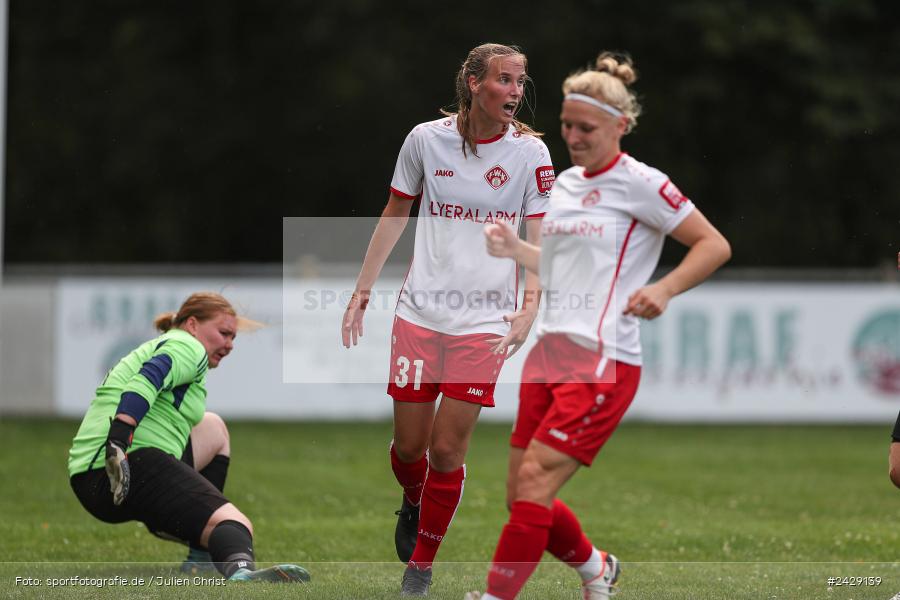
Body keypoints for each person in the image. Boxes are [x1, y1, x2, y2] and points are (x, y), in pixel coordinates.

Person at [466, 52, 732, 600]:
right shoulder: (564, 183)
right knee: (521, 494)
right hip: (549, 352)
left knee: (536, 482)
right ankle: (595, 569)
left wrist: (664, 288)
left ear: (620, 125)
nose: (572, 136)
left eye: (585, 128)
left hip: (602, 360)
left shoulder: (644, 184)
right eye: (566, 125)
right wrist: (516, 248)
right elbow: (567, 266)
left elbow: (714, 245)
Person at [341, 43, 555, 596]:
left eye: (521, 82)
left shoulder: (530, 155)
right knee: (410, 449)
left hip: (485, 324)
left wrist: (529, 307)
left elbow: (541, 240)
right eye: (505, 80)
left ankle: (422, 565)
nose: (515, 91)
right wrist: (363, 288)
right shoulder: (424, 139)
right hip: (419, 314)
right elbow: (395, 211)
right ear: (474, 83)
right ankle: (412, 501)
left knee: (446, 450)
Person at [68, 292, 310, 584]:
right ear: (193, 324)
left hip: (95, 476)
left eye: (233, 337)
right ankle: (241, 572)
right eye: (223, 333)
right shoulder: (188, 345)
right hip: (123, 464)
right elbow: (148, 378)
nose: (230, 344)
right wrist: (119, 439)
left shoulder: (171, 343)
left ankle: (201, 556)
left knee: (214, 428)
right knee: (236, 524)